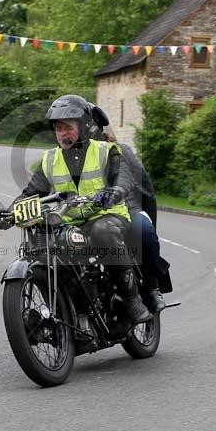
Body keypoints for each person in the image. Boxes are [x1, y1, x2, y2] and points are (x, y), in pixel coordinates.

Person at [0, 94, 151, 324]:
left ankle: (131, 298)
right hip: (70, 221)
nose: (63, 133)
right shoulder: (50, 160)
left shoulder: (106, 150)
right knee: (48, 245)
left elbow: (122, 178)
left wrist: (113, 193)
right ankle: (74, 310)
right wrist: (7, 214)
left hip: (107, 215)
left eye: (68, 127)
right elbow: (30, 193)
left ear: (83, 127)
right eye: (58, 128)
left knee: (103, 231)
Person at [87, 103, 170, 313]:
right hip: (81, 216)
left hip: (123, 210)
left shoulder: (119, 151)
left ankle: (151, 287)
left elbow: (146, 190)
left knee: (143, 229)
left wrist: (150, 219)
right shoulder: (63, 158)